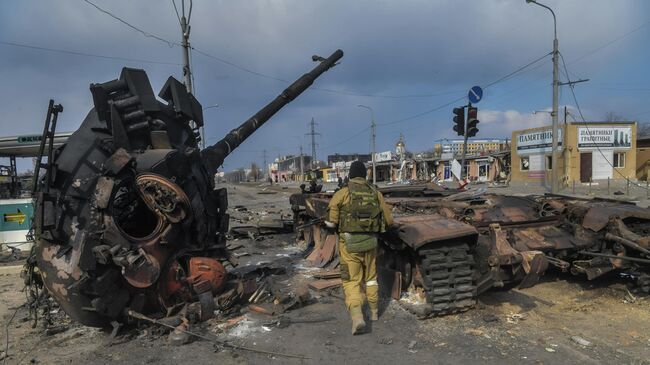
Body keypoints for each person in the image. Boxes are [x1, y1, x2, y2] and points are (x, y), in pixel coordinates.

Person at [325, 161, 393, 335]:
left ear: (350, 175)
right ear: (364, 175)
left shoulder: (342, 193)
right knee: (371, 278)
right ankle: (375, 312)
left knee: (352, 280)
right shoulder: (375, 193)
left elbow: (331, 222)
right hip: (371, 243)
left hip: (349, 245)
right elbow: (389, 221)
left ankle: (357, 317)